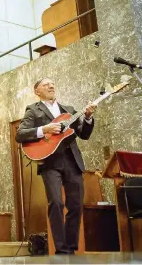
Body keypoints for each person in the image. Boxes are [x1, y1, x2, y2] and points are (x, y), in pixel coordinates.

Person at [15, 77, 96, 255]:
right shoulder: (33, 110)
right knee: (57, 203)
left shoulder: (69, 110)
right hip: (50, 163)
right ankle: (61, 249)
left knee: (75, 205)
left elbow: (84, 134)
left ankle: (71, 247)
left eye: (53, 83)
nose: (51, 86)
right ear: (37, 91)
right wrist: (45, 129)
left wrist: (88, 118)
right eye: (46, 84)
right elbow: (20, 135)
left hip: (72, 161)